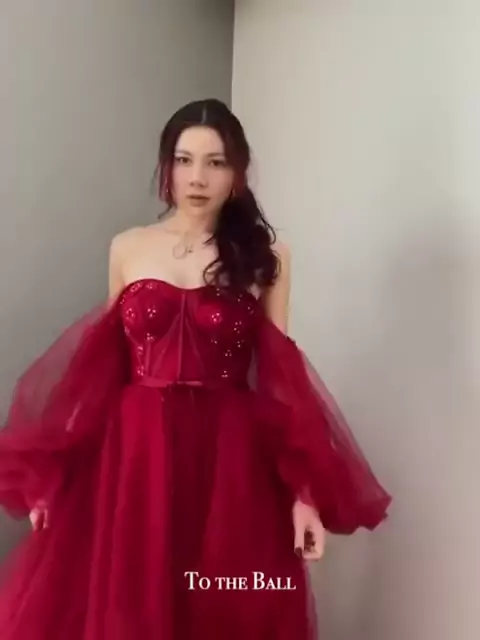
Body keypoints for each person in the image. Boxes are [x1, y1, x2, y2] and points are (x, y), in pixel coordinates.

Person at [0, 98, 391, 639]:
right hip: (133, 454)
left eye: (216, 162)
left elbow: (282, 381)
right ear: (167, 166)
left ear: (238, 171)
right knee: (130, 603)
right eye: (184, 160)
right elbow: (99, 367)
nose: (198, 178)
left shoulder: (267, 256)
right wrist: (55, 476)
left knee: (221, 603)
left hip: (228, 456)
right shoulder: (128, 247)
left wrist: (305, 495)